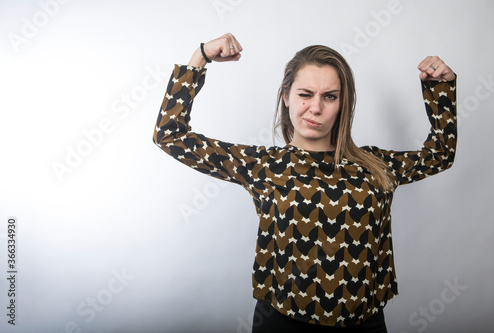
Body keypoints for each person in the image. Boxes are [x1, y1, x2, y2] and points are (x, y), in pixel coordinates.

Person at [152, 33, 457, 332]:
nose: (316, 108)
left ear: (342, 103)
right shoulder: (263, 166)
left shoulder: (375, 166)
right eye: (305, 94)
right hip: (282, 323)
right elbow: (170, 135)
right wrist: (200, 57)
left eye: (330, 96)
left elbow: (441, 153)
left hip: (365, 323)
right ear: (286, 96)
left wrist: (439, 87)